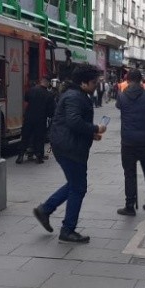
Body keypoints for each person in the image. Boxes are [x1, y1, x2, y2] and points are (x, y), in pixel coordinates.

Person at [32, 65, 107, 244]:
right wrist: (95, 128)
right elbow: (74, 121)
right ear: (83, 83)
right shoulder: (75, 97)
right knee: (78, 187)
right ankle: (67, 230)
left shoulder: (75, 95)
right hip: (70, 148)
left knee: (74, 184)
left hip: (68, 145)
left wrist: (90, 134)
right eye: (94, 82)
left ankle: (45, 209)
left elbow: (71, 122)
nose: (96, 85)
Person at [115, 70, 145, 216]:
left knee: (129, 174)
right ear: (141, 80)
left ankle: (130, 205)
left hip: (128, 141)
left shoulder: (122, 96)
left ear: (127, 81)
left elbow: (119, 106)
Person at [17, 78, 56, 164]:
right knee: (39, 138)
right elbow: (51, 110)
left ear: (41, 81)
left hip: (29, 118)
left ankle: (20, 156)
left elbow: (26, 98)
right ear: (48, 83)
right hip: (41, 119)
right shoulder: (49, 95)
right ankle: (39, 156)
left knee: (25, 137)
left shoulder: (31, 90)